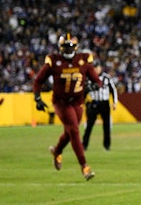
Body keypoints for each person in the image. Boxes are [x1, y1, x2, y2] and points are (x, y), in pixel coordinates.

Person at [33, 33, 101, 181]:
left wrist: (91, 86)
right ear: (60, 47)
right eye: (65, 47)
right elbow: (38, 80)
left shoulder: (83, 60)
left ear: (75, 47)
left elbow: (97, 81)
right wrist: (37, 98)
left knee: (69, 132)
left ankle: (57, 151)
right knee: (75, 131)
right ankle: (84, 166)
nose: (68, 49)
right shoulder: (54, 60)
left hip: (77, 101)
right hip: (61, 102)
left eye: (70, 46)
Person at [82, 60, 119, 151]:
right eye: (94, 68)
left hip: (104, 103)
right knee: (89, 125)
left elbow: (113, 89)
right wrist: (81, 102)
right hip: (93, 102)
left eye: (97, 67)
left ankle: (107, 146)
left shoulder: (106, 78)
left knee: (106, 125)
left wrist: (114, 102)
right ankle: (84, 145)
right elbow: (84, 91)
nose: (96, 70)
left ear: (100, 68)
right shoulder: (88, 78)